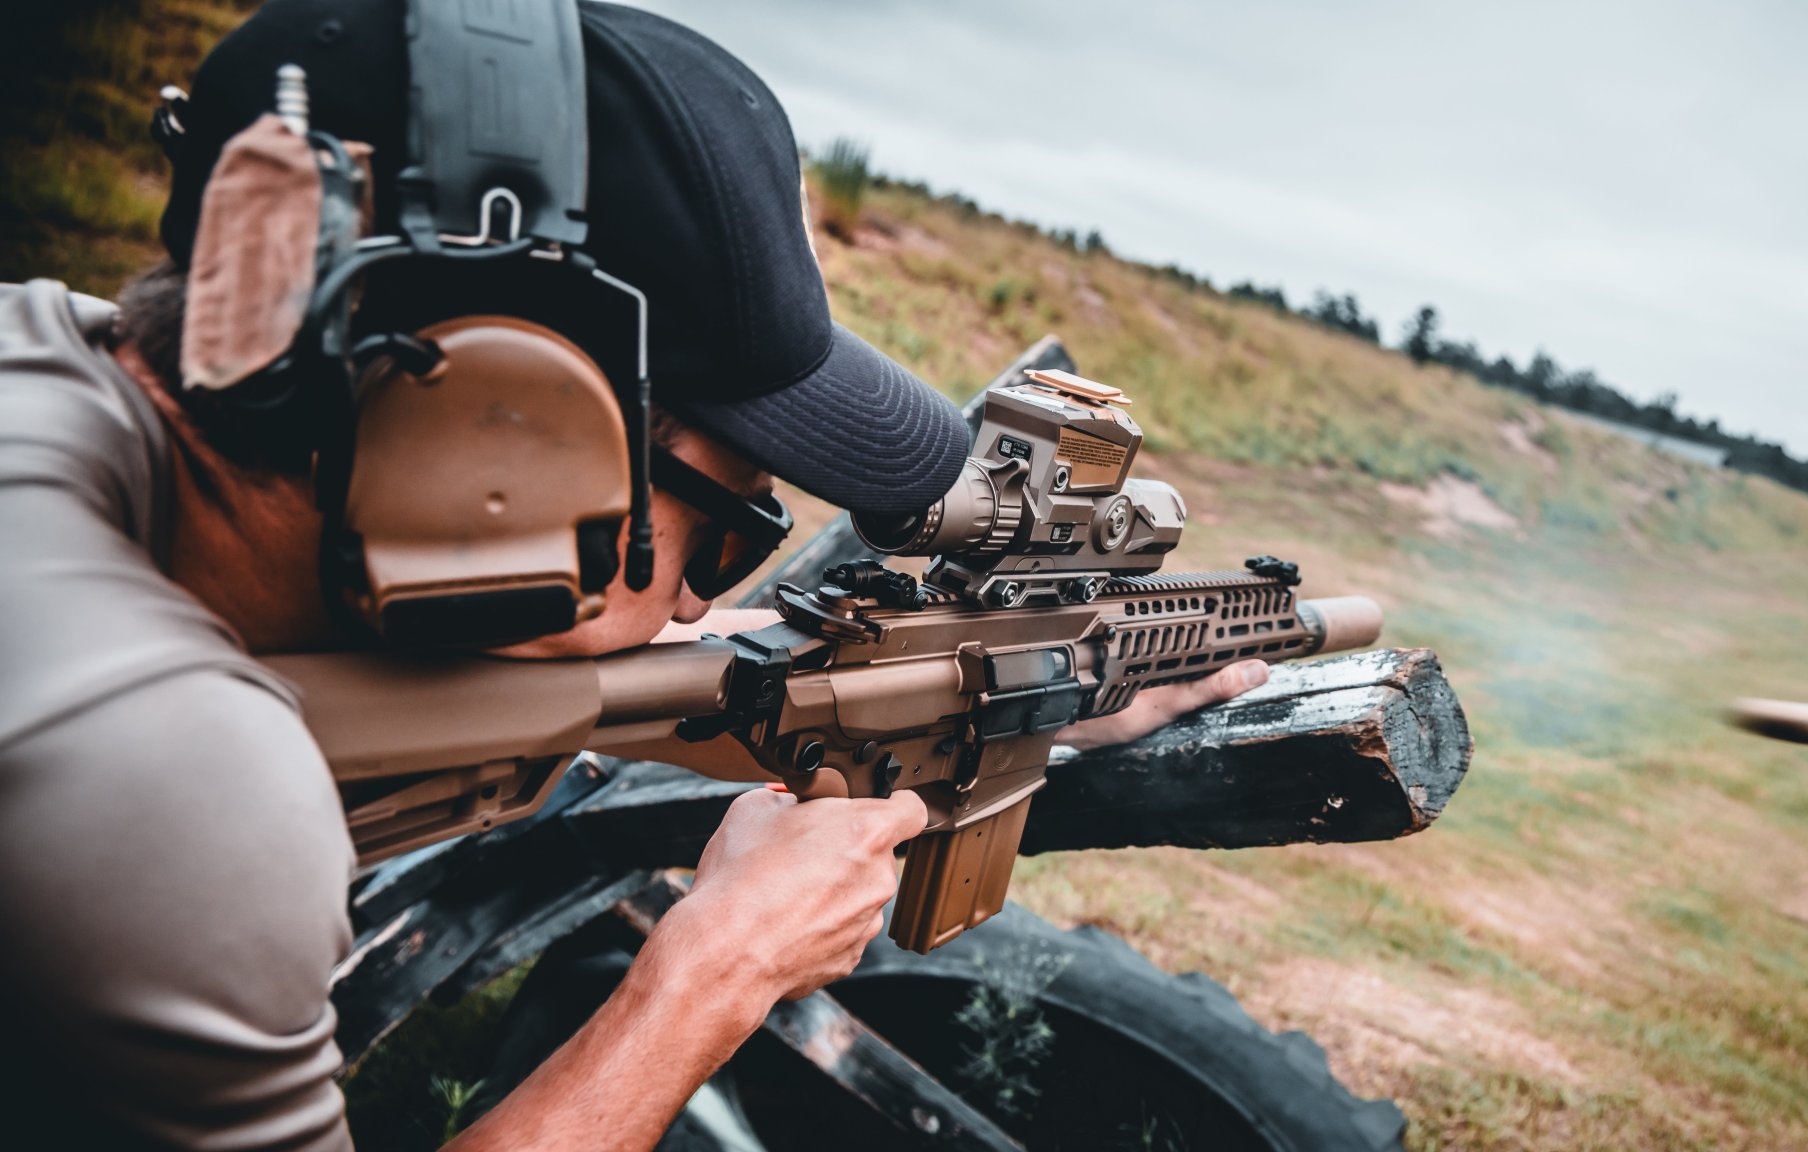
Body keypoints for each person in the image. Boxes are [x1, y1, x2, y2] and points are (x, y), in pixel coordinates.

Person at [0, 2, 1268, 1147]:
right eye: (726, 527)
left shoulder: (55, 366)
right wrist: (714, 971)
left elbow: (667, 679)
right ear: (494, 440)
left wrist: (1014, 684)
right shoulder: (174, 777)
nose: (699, 602)